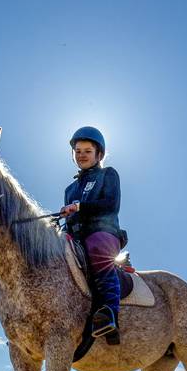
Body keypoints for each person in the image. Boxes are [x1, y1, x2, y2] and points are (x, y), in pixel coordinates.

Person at [60, 126, 123, 342]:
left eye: (87, 151)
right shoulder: (70, 189)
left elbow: (111, 205)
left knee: (97, 249)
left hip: (102, 233)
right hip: (75, 237)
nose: (82, 155)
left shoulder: (108, 174)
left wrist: (79, 208)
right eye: (78, 151)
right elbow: (71, 218)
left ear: (99, 154)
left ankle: (109, 314)